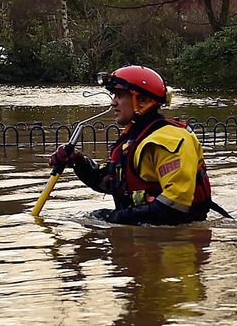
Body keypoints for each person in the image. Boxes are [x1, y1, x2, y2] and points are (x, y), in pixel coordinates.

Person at [50, 65, 226, 225]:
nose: (113, 102)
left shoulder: (169, 140)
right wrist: (79, 163)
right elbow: (112, 184)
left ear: (141, 101)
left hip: (176, 244)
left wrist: (117, 218)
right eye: (113, 95)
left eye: (119, 95)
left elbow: (175, 206)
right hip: (144, 233)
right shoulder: (133, 138)